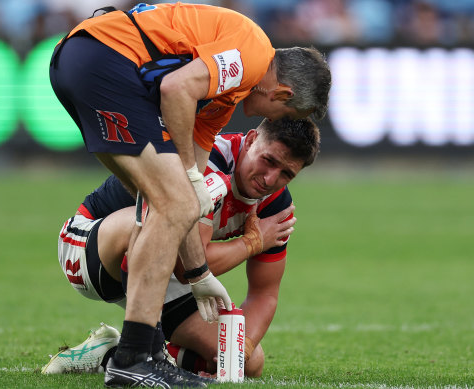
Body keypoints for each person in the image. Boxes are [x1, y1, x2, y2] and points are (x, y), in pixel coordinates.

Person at [48, 2, 330, 386]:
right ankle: (134, 360)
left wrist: (199, 274)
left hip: (92, 58)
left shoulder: (221, 100)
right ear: (282, 93)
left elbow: (188, 186)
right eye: (282, 115)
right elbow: (175, 87)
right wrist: (200, 193)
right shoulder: (254, 52)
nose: (271, 178)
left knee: (171, 204)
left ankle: (129, 354)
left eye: (285, 174)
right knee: (173, 202)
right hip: (103, 58)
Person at [41, 117, 321, 378]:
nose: (271, 179)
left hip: (159, 269)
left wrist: (239, 352)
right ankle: (139, 353)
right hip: (89, 249)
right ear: (249, 140)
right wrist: (252, 242)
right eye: (268, 160)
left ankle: (109, 353)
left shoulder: (275, 204)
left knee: (249, 362)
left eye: (286, 173)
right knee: (152, 223)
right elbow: (187, 266)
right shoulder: (208, 160)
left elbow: (265, 294)